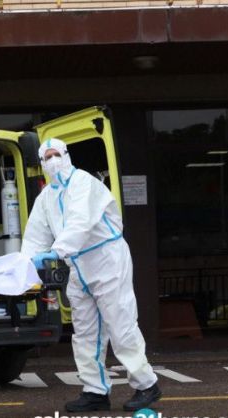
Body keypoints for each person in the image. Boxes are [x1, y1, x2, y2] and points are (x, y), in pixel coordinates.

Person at [21, 138, 161, 412]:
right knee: (85, 331)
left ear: (66, 155)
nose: (52, 161)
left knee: (120, 323)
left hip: (106, 259)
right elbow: (35, 234)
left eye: (55, 154)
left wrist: (56, 251)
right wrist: (27, 263)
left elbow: (80, 222)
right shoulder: (47, 197)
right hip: (78, 266)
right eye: (46, 157)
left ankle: (147, 385)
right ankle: (95, 390)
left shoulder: (84, 184)